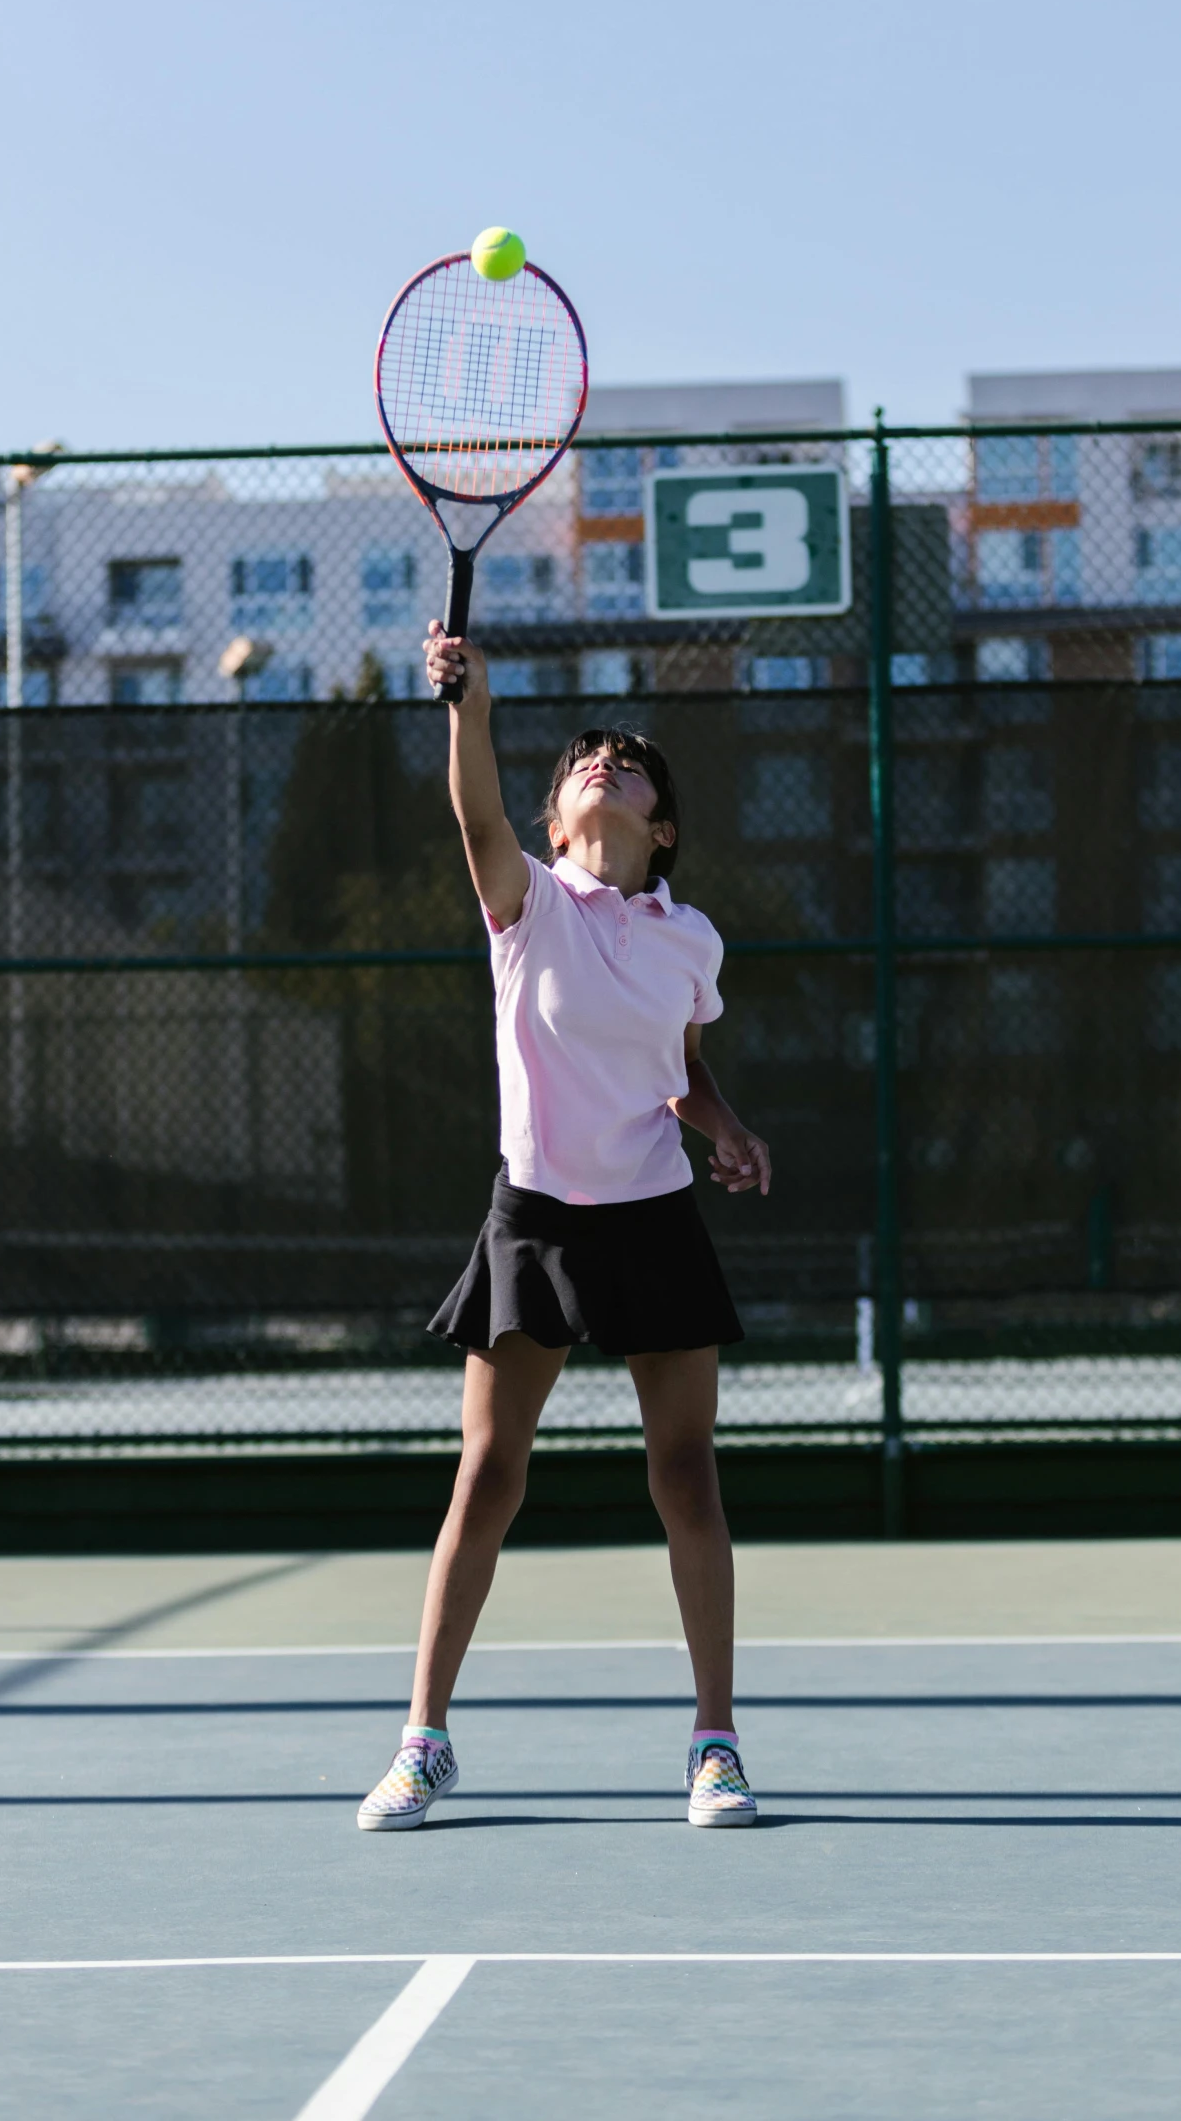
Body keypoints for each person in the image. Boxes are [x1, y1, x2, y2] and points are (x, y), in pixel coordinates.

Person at [357, 620, 771, 1833]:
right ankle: (423, 1739)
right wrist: (468, 711)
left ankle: (714, 1742)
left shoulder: (688, 939)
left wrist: (723, 1126)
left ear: (664, 826)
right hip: (534, 1213)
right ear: (555, 823)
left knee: (684, 1472)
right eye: (584, 758)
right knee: (487, 1473)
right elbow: (475, 817)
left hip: (650, 1210)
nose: (605, 762)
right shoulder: (527, 901)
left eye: (629, 762)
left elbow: (677, 1068)